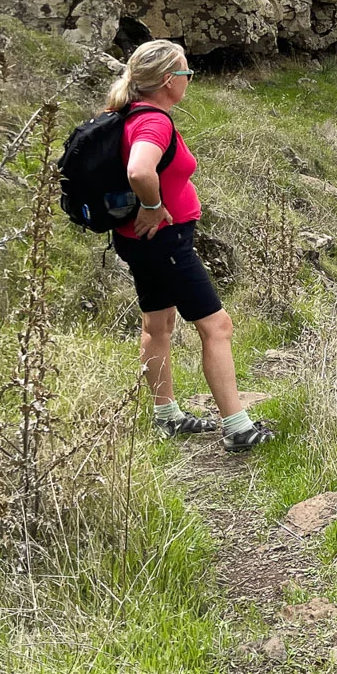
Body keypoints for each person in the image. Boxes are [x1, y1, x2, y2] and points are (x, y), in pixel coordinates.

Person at [103, 40, 276, 453]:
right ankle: (237, 427)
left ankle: (167, 416)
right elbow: (140, 169)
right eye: (186, 74)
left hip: (137, 240)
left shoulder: (125, 114)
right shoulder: (154, 122)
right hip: (164, 240)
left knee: (157, 325)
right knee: (217, 327)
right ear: (168, 81)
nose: (189, 81)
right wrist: (153, 205)